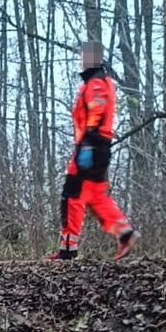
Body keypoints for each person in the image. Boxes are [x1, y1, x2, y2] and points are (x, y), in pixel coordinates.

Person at [48, 42, 139, 261]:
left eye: (84, 56)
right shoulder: (98, 80)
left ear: (92, 58)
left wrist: (87, 139)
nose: (81, 60)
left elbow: (97, 108)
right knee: (95, 196)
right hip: (98, 145)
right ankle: (124, 232)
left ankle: (68, 249)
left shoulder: (96, 82)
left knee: (71, 196)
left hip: (90, 144)